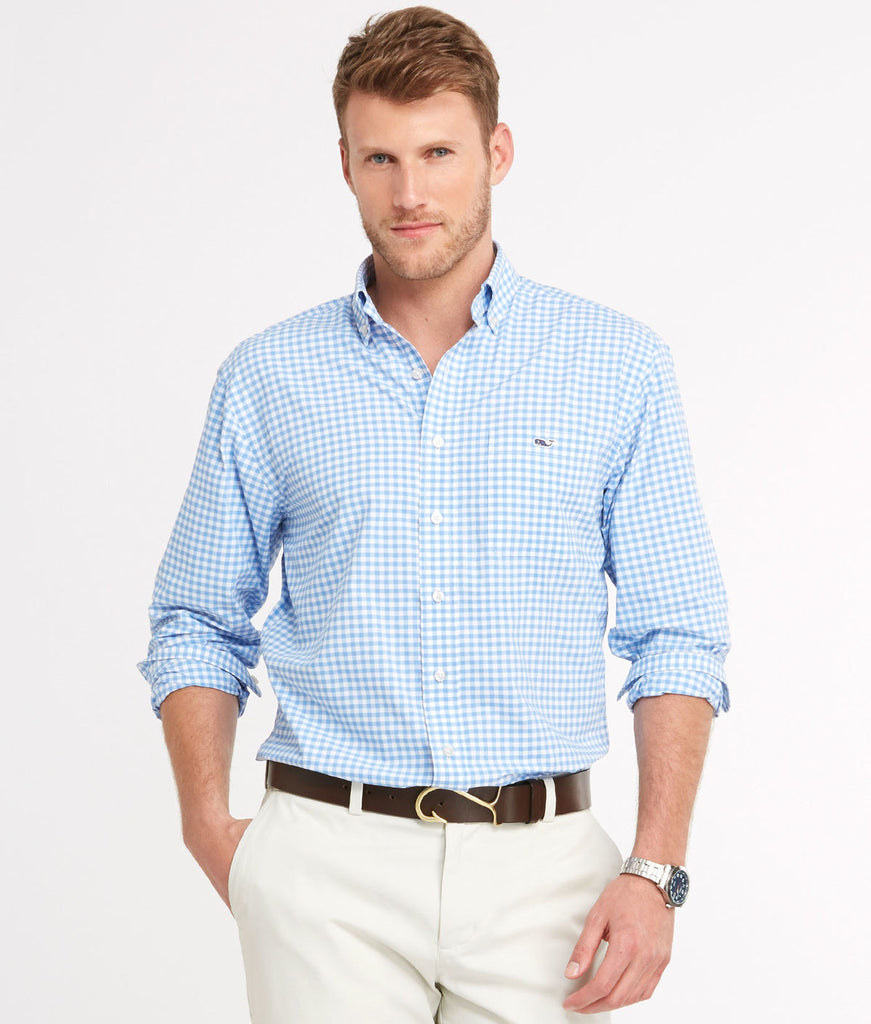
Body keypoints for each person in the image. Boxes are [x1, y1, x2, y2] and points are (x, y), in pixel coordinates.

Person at [138, 6, 730, 1021]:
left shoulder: (616, 366)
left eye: (438, 153)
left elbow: (677, 631)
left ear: (496, 153)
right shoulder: (269, 377)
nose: (409, 192)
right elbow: (195, 617)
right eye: (380, 157)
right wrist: (208, 825)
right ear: (344, 165)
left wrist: (654, 868)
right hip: (324, 866)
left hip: (547, 876)